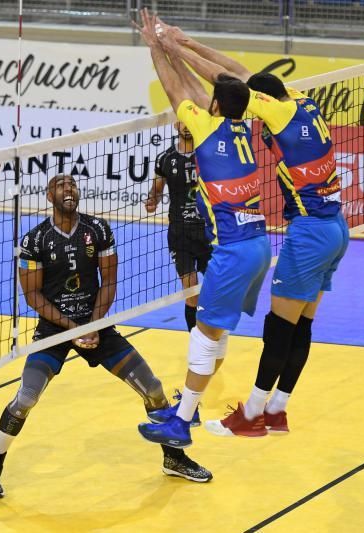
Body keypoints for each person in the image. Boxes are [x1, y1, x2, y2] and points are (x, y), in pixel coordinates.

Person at [158, 27, 350, 437]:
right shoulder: (300, 99)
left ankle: (250, 416)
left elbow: (230, 82)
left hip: (310, 231)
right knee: (301, 325)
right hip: (337, 227)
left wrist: (171, 47)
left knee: (279, 327)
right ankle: (277, 410)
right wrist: (187, 44)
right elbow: (239, 74)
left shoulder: (273, 113)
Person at [0, 174, 212, 500]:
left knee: (155, 390)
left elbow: (110, 281)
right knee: (26, 398)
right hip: (54, 331)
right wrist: (73, 330)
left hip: (95, 324)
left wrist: (91, 324)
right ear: (49, 196)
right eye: (61, 185)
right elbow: (32, 296)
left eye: (73, 185)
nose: (69, 189)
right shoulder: (35, 241)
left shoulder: (98, 229)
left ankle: (174, 458)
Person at [133, 9, 271, 449]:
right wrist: (179, 45)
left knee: (202, 333)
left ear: (212, 106)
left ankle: (181, 419)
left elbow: (177, 88)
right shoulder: (243, 126)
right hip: (259, 246)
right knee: (216, 331)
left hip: (232, 250)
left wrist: (157, 46)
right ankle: (195, 400)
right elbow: (233, 78)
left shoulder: (205, 130)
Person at [145, 121, 212, 426]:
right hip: (180, 236)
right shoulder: (165, 159)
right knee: (191, 296)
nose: (187, 125)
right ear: (176, 124)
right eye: (183, 120)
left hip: (210, 233)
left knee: (214, 295)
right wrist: (152, 199)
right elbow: (157, 190)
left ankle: (208, 343)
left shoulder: (209, 152)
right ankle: (198, 342)